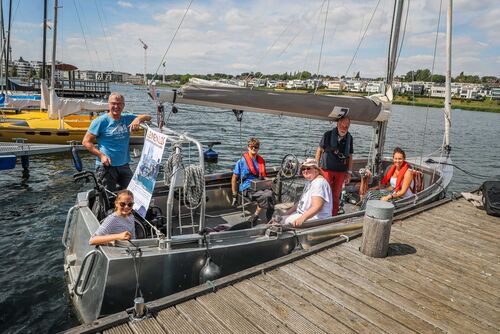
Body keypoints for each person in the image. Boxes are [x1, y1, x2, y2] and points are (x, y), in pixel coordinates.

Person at [83, 92, 151, 191]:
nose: (116, 106)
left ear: (123, 105)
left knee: (132, 192)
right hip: (106, 166)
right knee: (107, 196)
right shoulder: (100, 121)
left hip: (124, 165)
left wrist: (138, 119)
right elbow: (86, 142)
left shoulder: (127, 118)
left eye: (119, 104)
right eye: (113, 103)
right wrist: (101, 155)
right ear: (109, 104)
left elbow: (149, 117)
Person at [315, 116, 353, 216]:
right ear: (337, 124)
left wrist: (349, 173)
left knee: (336, 195)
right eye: (342, 125)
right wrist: (316, 167)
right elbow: (319, 150)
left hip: (340, 172)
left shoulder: (350, 138)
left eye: (347, 126)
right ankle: (320, 214)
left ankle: (333, 215)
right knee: (323, 193)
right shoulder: (327, 135)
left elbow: (350, 156)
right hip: (326, 170)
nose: (344, 127)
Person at [231, 138, 275, 223]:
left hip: (259, 185)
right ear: (248, 147)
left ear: (258, 148)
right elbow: (234, 178)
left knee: (271, 194)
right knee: (266, 196)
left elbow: (263, 176)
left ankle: (265, 217)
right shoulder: (241, 161)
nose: (254, 148)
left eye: (256, 147)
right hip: (246, 187)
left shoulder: (261, 161)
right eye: (252, 146)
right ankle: (260, 216)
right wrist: (234, 196)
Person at [280, 158, 333, 228]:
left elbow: (317, 206)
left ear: (316, 170)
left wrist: (302, 218)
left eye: (308, 168)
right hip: (303, 214)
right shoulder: (310, 181)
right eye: (303, 169)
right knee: (278, 218)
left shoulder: (319, 183)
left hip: (317, 219)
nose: (305, 171)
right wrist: (287, 213)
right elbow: (300, 202)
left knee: (278, 222)